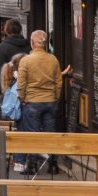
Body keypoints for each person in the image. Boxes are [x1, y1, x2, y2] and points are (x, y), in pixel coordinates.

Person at [16, 30, 72, 176]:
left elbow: (21, 83)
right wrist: (56, 98)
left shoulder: (26, 61)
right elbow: (58, 82)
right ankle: (52, 163)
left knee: (33, 133)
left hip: (32, 101)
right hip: (49, 100)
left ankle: (33, 164)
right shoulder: (53, 59)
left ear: (32, 42)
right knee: (50, 133)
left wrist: (22, 97)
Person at [0, 19, 31, 87]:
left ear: (6, 31)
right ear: (20, 30)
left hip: (10, 87)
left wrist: (0, 89)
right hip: (29, 86)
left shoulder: (1, 48)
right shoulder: (30, 46)